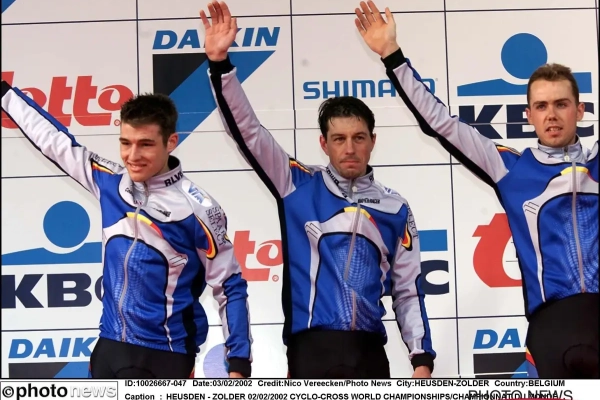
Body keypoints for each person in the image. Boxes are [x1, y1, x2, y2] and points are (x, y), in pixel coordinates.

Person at [353, 0, 599, 379]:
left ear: (580, 110)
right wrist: (392, 55)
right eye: (541, 106)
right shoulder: (511, 168)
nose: (551, 114)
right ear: (528, 115)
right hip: (551, 330)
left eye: (561, 104)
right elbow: (441, 123)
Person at [199, 1, 436, 379]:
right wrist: (219, 64)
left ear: (373, 141)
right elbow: (248, 132)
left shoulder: (395, 207)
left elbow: (407, 290)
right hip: (311, 353)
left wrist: (421, 359)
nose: (349, 148)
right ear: (324, 144)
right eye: (339, 139)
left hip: (370, 355)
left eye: (358, 137)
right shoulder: (296, 183)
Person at [0, 80, 253, 379]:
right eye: (125, 143)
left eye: (145, 144)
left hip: (165, 355)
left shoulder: (198, 209)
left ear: (171, 142)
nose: (133, 156)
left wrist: (239, 363)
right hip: (109, 348)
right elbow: (53, 140)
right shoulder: (109, 181)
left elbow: (230, 286)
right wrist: (4, 93)